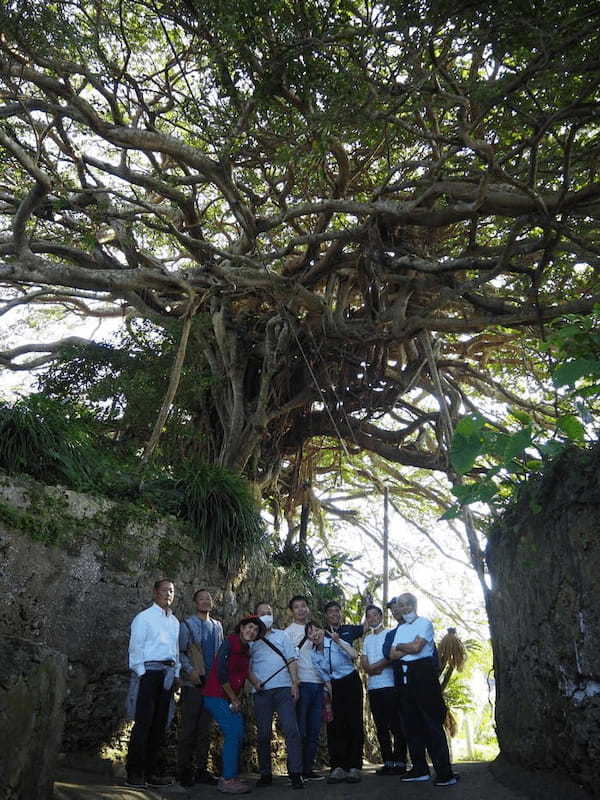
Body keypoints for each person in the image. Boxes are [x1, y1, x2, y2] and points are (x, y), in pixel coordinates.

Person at [382, 593, 459, 788]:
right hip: (405, 679)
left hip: (423, 676)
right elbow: (392, 654)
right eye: (400, 605)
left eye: (407, 604)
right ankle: (419, 769)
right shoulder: (400, 630)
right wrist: (404, 647)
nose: (403, 608)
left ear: (414, 605)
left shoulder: (424, 623)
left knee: (431, 724)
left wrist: (402, 647)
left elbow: (417, 648)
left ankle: (444, 772)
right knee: (411, 725)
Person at [125, 578, 180, 788]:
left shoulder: (174, 622)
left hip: (167, 675)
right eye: (165, 590)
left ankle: (149, 772)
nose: (168, 594)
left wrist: (176, 674)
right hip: (148, 672)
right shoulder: (144, 618)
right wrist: (141, 673)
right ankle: (134, 773)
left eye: (172, 591)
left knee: (159, 725)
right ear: (155, 592)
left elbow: (174, 650)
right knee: (143, 723)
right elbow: (135, 647)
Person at [202, 615, 266, 795]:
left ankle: (231, 775)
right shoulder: (229, 643)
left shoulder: (246, 649)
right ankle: (227, 779)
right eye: (249, 627)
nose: (251, 631)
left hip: (229, 698)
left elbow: (245, 671)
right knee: (232, 731)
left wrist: (257, 683)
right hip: (216, 695)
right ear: (242, 627)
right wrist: (234, 698)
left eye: (255, 630)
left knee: (237, 731)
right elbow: (221, 671)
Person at [249, 602, 304, 790]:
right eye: (263, 613)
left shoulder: (282, 635)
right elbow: (245, 667)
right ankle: (265, 773)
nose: (267, 615)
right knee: (263, 734)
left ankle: (296, 773)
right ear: (255, 616)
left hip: (283, 690)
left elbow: (291, 660)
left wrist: (295, 684)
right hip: (261, 692)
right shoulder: (250, 638)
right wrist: (255, 682)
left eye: (269, 612)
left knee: (292, 730)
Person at [306, 621, 363, 785]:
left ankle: (354, 767)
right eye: (310, 633)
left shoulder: (335, 641)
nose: (314, 634)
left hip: (350, 681)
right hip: (334, 686)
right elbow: (325, 677)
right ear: (308, 638)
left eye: (316, 629)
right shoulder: (314, 654)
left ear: (322, 630)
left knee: (353, 723)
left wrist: (339, 641)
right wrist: (331, 699)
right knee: (335, 725)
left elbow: (353, 655)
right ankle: (338, 767)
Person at [177, 589, 224, 787]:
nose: (206, 601)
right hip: (193, 683)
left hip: (211, 685)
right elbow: (179, 652)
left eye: (209, 599)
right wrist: (190, 671)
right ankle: (183, 771)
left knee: (205, 729)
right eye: (202, 598)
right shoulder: (186, 624)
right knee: (189, 728)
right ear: (195, 602)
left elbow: (220, 654)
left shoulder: (218, 626)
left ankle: (201, 770)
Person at [361, 604, 407, 775]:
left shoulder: (390, 633)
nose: (372, 618)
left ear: (380, 616)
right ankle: (388, 762)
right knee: (381, 727)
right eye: (369, 616)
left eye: (375, 615)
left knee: (396, 725)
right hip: (373, 687)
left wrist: (377, 667)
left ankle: (400, 762)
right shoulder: (367, 639)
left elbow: (391, 655)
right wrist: (369, 669)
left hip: (389, 685)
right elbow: (363, 660)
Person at [284, 595, 325, 781]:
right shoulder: (288, 632)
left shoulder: (317, 629)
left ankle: (308, 768)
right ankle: (296, 770)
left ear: (308, 609)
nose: (301, 610)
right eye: (296, 607)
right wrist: (294, 683)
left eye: (303, 606)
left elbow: (324, 655)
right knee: (300, 729)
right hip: (301, 683)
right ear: (291, 611)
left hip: (318, 683)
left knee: (314, 729)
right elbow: (287, 659)